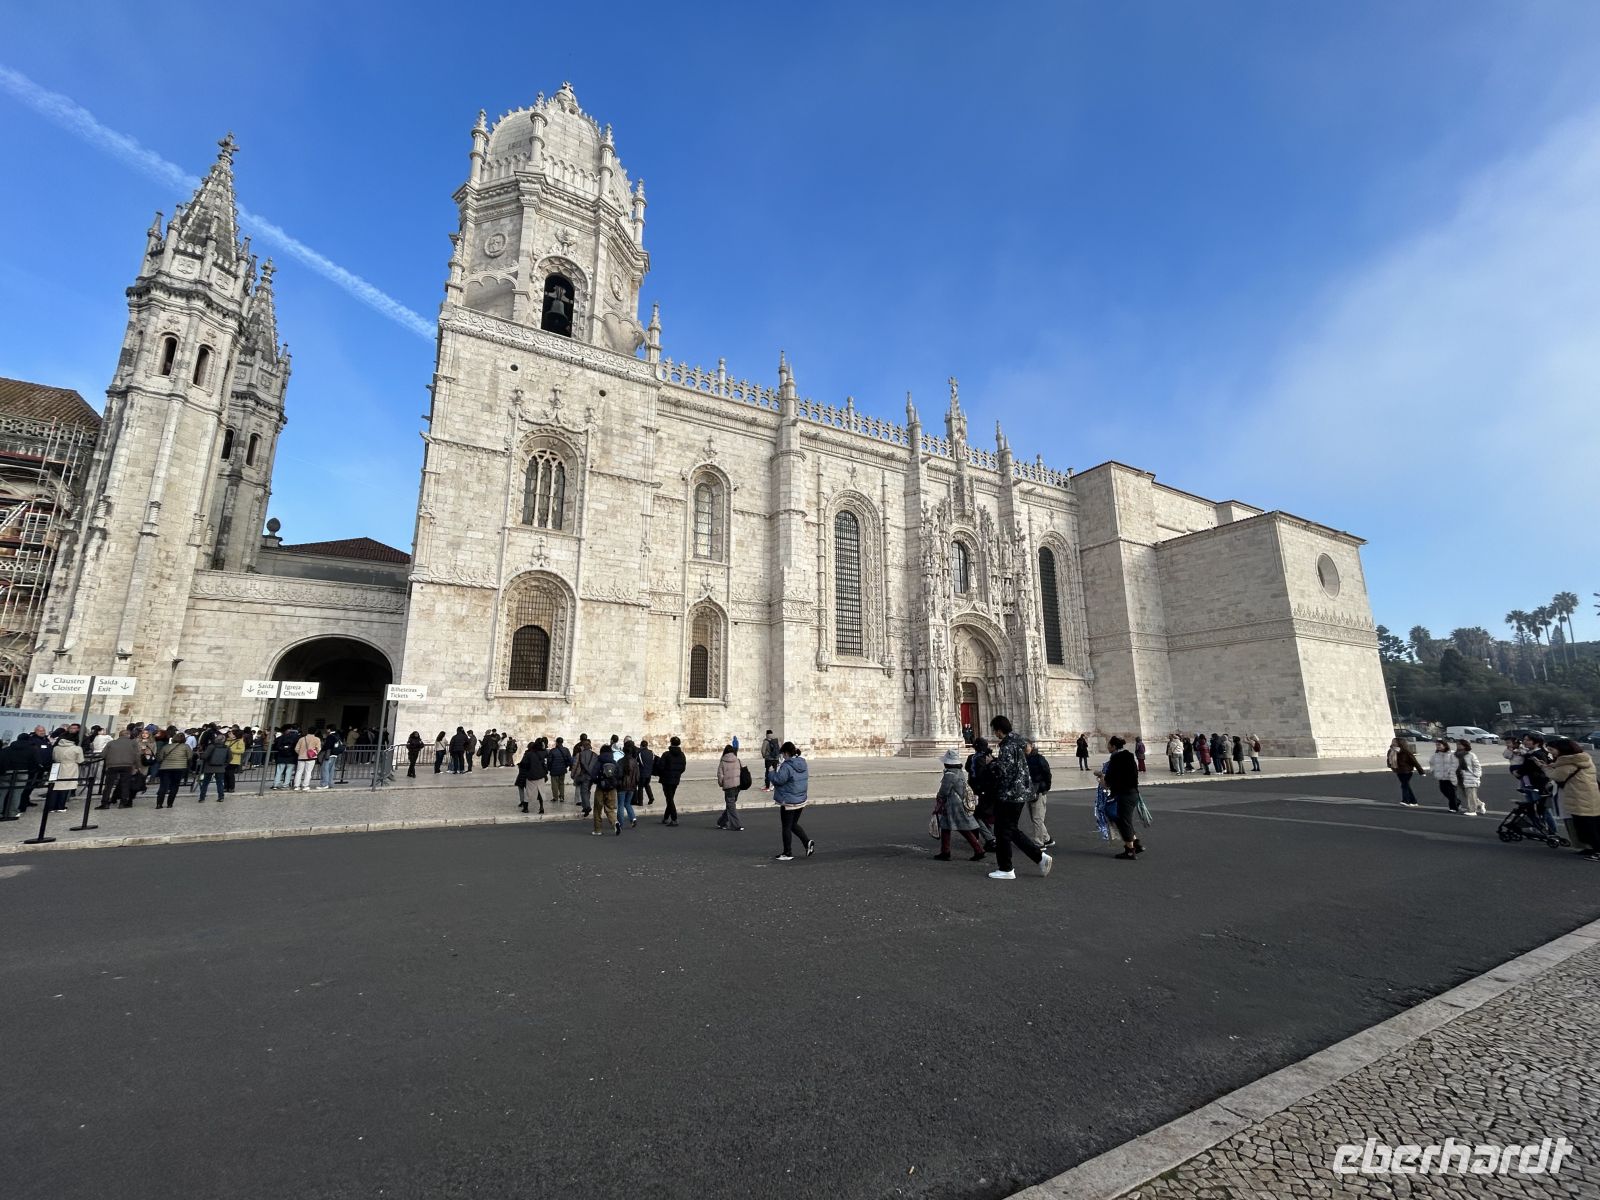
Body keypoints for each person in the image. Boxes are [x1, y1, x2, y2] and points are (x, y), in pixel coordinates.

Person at [986, 715, 1052, 881]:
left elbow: (1002, 771)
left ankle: (1006, 868)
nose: (995, 734)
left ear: (999, 730)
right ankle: (1040, 858)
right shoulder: (1019, 743)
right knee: (1011, 830)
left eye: (995, 731)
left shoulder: (1007, 746)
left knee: (1001, 831)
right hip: (1021, 793)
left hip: (1010, 794)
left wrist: (991, 763)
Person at [1546, 738, 1598, 860]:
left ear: (1562, 750)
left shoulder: (1568, 763)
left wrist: (1545, 767)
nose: (1551, 753)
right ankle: (1590, 848)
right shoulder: (1583, 758)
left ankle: (1597, 851)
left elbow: (1556, 776)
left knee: (1587, 827)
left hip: (1579, 797)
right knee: (1591, 824)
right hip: (1590, 796)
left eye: (1552, 750)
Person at [931, 748, 985, 862]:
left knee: (962, 828)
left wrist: (939, 800)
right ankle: (945, 851)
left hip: (953, 805)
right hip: (957, 803)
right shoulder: (959, 772)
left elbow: (944, 791)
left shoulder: (949, 775)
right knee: (946, 826)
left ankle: (978, 849)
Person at [1097, 735, 1145, 859]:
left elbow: (1107, 784)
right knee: (1125, 820)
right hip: (1133, 793)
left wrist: (1100, 776)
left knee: (1123, 821)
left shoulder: (1116, 759)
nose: (1107, 746)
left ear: (1113, 746)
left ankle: (1130, 850)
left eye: (1109, 745)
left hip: (1124, 795)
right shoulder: (1129, 757)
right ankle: (1136, 844)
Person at [767, 741, 812, 861]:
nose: (782, 757)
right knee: (793, 824)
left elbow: (778, 780)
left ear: (786, 753)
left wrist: (771, 771)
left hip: (789, 800)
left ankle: (787, 852)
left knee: (786, 827)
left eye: (783, 754)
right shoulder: (802, 763)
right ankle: (807, 843)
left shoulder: (787, 766)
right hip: (800, 799)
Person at [1024, 739, 1054, 849]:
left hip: (1039, 791)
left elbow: (1047, 774)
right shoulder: (1024, 759)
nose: (1024, 748)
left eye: (1026, 745)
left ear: (1031, 745)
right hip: (1029, 791)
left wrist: (1046, 787)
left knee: (1037, 818)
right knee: (1035, 818)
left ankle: (1039, 843)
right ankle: (1047, 839)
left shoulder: (1039, 758)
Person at [0, 732, 36, 820]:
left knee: (2, 794)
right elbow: (35, 762)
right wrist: (31, 771)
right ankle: (12, 813)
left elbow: (2, 760)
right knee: (17, 793)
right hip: (23, 772)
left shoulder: (8, 749)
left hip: (7, 772)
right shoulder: (32, 749)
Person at [49, 728, 84, 813]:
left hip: (57, 766)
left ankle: (51, 806)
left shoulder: (56, 748)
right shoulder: (77, 748)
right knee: (65, 786)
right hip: (70, 767)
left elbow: (53, 757)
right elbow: (80, 760)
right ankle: (61, 806)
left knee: (55, 786)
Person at [592, 738, 621, 836]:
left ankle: (598, 830)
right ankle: (615, 823)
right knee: (610, 809)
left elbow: (593, 774)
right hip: (612, 788)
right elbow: (619, 774)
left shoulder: (599, 761)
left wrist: (597, 781)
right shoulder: (614, 762)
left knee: (597, 809)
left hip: (601, 787)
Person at [155, 727, 189, 809]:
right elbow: (190, 756)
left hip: (165, 768)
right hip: (179, 768)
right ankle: (170, 804)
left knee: (163, 786)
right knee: (174, 786)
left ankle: (159, 804)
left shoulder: (166, 746)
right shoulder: (186, 747)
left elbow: (159, 758)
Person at [516, 737, 550, 814]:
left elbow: (523, 764)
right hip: (541, 776)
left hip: (531, 776)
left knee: (528, 793)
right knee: (541, 792)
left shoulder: (529, 754)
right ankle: (541, 808)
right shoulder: (544, 753)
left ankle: (526, 808)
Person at [658, 735, 686, 826]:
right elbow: (683, 768)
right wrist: (677, 774)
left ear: (671, 743)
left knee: (669, 799)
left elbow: (660, 767)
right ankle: (666, 818)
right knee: (670, 798)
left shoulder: (666, 754)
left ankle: (674, 819)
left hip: (666, 780)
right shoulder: (682, 755)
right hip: (675, 779)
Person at [716, 743, 744, 831]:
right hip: (737, 786)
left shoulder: (722, 762)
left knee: (730, 806)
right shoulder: (738, 760)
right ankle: (722, 822)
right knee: (731, 805)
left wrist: (722, 784)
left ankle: (735, 825)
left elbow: (720, 775)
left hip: (728, 787)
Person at [1387, 737, 1423, 807]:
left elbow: (1414, 761)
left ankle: (1405, 800)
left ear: (1400, 743)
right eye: (1393, 741)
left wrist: (1421, 771)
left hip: (1407, 771)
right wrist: (1389, 765)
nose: (1393, 743)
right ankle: (1414, 801)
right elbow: (1388, 759)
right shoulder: (1391, 750)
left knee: (1404, 785)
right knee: (1406, 785)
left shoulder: (1406, 751)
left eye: (1395, 742)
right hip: (1398, 770)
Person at [1453, 739, 1485, 815]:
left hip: (1470, 777)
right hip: (1460, 777)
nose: (1458, 746)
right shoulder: (1455, 755)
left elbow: (1477, 766)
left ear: (1465, 745)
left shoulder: (1471, 755)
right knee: (1467, 794)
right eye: (1457, 744)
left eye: (1460, 744)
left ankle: (1472, 810)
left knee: (1470, 794)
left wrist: (1476, 775)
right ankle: (1480, 804)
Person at [197, 733, 230, 801]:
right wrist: (225, 764)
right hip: (220, 767)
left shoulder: (211, 746)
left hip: (209, 767)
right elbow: (230, 758)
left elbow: (205, 756)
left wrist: (200, 755)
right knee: (220, 783)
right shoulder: (226, 747)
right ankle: (221, 797)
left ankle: (202, 798)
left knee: (205, 782)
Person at [616, 738, 641, 829]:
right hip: (632, 786)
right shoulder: (635, 762)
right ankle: (633, 818)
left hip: (622, 786)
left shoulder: (620, 761)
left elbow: (618, 774)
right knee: (627, 803)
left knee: (621, 805)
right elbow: (638, 776)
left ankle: (621, 824)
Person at [1429, 739, 1459, 811]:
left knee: (1452, 792)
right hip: (1441, 776)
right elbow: (1431, 763)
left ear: (1445, 745)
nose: (1437, 746)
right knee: (1443, 790)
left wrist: (1451, 771)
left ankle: (1453, 807)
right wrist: (1433, 770)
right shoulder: (1435, 755)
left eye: (1439, 745)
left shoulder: (1452, 754)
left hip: (1451, 776)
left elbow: (1456, 764)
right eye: (1436, 745)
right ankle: (1457, 802)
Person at [573, 735, 598, 818]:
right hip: (592, 776)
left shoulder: (579, 754)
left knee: (583, 792)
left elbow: (575, 765)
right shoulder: (595, 755)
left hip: (583, 775)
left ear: (583, 747)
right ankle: (585, 806)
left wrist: (573, 774)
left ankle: (587, 807)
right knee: (588, 791)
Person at [293, 726, 321, 792]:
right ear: (315, 732)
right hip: (311, 758)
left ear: (308, 731)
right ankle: (305, 786)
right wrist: (314, 754)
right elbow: (318, 749)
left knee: (299, 772)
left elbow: (296, 749)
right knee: (308, 772)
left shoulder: (301, 739)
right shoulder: (317, 739)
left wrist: (300, 754)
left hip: (301, 757)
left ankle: (296, 786)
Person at [271, 725, 299, 789]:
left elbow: (275, 747)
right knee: (289, 772)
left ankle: (276, 784)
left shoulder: (280, 738)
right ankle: (285, 785)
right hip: (291, 757)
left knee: (279, 771)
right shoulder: (296, 738)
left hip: (281, 756)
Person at [317, 725, 343, 790]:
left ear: (329, 729)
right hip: (335, 754)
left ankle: (324, 784)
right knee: (331, 770)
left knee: (325, 769)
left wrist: (322, 751)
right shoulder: (338, 735)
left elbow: (327, 746)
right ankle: (330, 783)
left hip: (328, 755)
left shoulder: (330, 736)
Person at [547, 736, 572, 805]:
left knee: (554, 784)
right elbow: (570, 759)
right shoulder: (566, 750)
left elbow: (549, 761)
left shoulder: (552, 751)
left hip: (554, 770)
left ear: (557, 743)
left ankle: (555, 797)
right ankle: (562, 797)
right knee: (561, 783)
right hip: (562, 769)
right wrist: (566, 766)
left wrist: (549, 768)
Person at [637, 739, 657, 807]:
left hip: (642, 773)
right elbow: (653, 761)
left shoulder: (640, 753)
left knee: (640, 787)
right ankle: (651, 798)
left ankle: (640, 802)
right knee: (647, 785)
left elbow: (639, 762)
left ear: (641, 746)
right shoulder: (652, 752)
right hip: (649, 773)